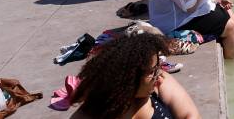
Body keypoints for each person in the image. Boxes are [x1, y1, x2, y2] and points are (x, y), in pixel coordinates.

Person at [69, 33, 199, 119]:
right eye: (152, 71)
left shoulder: (159, 85)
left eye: (159, 66)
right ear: (129, 78)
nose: (159, 74)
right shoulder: (92, 112)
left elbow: (190, 115)